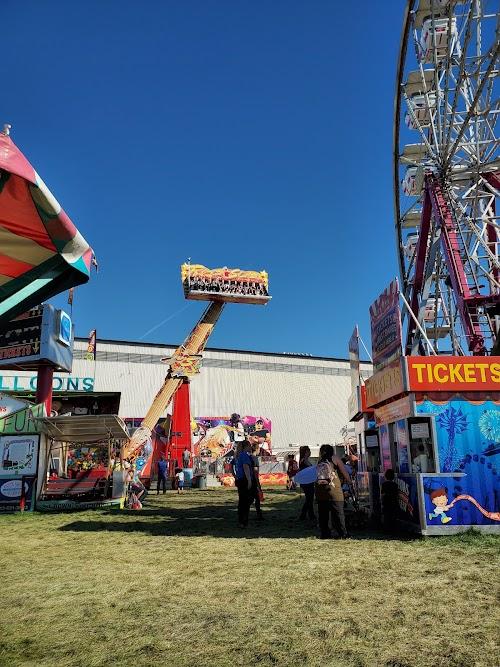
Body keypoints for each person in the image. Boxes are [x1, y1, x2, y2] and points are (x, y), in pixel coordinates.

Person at [315, 444, 351, 539]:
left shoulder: (320, 461)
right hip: (334, 489)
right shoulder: (335, 458)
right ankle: (342, 533)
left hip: (321, 490)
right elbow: (344, 472)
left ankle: (324, 533)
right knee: (338, 513)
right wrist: (349, 482)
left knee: (323, 513)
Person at [233, 440, 254, 528]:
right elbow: (246, 467)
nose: (250, 447)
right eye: (249, 446)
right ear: (247, 446)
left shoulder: (237, 456)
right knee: (246, 501)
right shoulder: (244, 455)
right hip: (245, 480)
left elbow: (232, 466)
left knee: (242, 501)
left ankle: (241, 520)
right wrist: (249, 480)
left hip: (239, 479)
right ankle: (244, 521)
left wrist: (235, 475)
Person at [298, 446, 316, 523]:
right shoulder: (304, 460)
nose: (310, 453)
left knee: (309, 499)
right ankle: (307, 515)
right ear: (305, 452)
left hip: (306, 482)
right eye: (309, 451)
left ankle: (306, 515)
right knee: (309, 499)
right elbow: (311, 468)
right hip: (307, 483)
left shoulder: (302, 460)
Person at [250, 442, 264, 520]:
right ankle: (259, 514)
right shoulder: (255, 459)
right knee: (256, 498)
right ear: (257, 449)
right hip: (254, 481)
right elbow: (255, 472)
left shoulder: (249, 457)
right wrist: (258, 484)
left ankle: (259, 514)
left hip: (249, 479)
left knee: (252, 498)